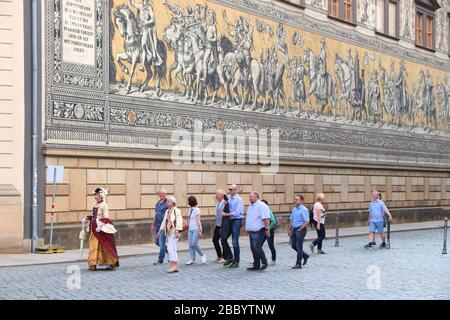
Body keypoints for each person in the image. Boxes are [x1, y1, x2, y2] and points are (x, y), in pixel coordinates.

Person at [85, 188, 119, 271]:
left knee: (103, 245)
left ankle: (110, 262)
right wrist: (87, 218)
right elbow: (94, 216)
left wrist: (99, 226)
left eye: (96, 195)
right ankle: (92, 263)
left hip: (100, 228)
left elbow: (106, 218)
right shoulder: (95, 205)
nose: (95, 196)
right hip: (93, 227)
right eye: (94, 195)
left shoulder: (104, 205)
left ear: (101, 196)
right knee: (93, 245)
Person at [245, 192, 271, 271]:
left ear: (256, 197)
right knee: (253, 248)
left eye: (251, 197)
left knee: (257, 247)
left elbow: (266, 218)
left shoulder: (262, 205)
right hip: (251, 231)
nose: (249, 198)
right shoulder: (250, 206)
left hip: (259, 230)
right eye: (249, 196)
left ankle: (264, 262)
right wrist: (248, 227)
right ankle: (256, 264)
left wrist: (267, 229)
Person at [158, 196, 183, 273]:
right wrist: (160, 231)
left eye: (168, 201)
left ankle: (173, 265)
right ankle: (175, 266)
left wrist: (177, 231)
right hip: (169, 232)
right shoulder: (167, 211)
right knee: (173, 248)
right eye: (167, 201)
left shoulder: (177, 210)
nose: (167, 202)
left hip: (175, 231)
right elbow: (164, 222)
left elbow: (179, 221)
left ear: (173, 202)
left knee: (169, 248)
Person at [289, 195, 310, 269]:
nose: (295, 201)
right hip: (294, 229)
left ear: (301, 201)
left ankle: (298, 263)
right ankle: (305, 255)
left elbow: (307, 221)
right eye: (295, 199)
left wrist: (301, 228)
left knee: (299, 246)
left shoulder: (304, 209)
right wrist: (290, 229)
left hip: (300, 230)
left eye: (297, 199)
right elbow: (291, 219)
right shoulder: (294, 209)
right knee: (293, 245)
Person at [225, 184, 244, 268]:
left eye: (231, 189)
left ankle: (236, 261)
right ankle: (230, 258)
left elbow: (238, 212)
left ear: (235, 190)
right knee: (223, 238)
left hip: (236, 220)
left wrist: (226, 214)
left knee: (235, 241)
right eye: (229, 189)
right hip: (229, 220)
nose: (229, 190)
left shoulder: (239, 199)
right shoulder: (228, 198)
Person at [186, 196, 207, 265]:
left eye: (188, 200)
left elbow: (198, 220)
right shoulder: (190, 209)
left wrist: (200, 230)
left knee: (194, 243)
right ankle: (192, 259)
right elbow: (189, 219)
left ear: (191, 202)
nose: (187, 202)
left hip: (196, 229)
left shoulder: (197, 209)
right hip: (190, 229)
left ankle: (202, 255)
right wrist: (187, 227)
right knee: (190, 245)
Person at [152, 188, 168, 265]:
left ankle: (160, 260)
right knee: (156, 241)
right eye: (159, 193)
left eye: (162, 193)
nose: (161, 194)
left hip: (163, 226)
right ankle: (171, 253)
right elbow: (155, 215)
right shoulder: (157, 203)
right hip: (157, 225)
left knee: (161, 243)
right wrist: (152, 225)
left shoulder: (167, 203)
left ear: (165, 194)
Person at [212, 190, 227, 263]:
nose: (216, 196)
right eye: (216, 194)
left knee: (223, 241)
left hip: (223, 225)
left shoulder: (225, 202)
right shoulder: (218, 202)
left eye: (217, 194)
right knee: (214, 240)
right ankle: (219, 256)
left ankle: (225, 257)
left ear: (222, 195)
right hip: (218, 224)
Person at [261, 199, 277, 265]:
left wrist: (268, 229)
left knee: (271, 245)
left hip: (269, 231)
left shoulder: (269, 212)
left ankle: (273, 260)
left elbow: (273, 222)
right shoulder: (261, 212)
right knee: (259, 245)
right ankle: (258, 259)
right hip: (263, 231)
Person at [219, 194, 233, 264]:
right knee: (223, 240)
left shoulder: (228, 205)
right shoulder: (226, 205)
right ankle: (229, 257)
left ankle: (229, 257)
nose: (224, 201)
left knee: (223, 240)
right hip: (225, 224)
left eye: (225, 200)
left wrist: (224, 214)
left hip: (227, 225)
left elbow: (230, 215)